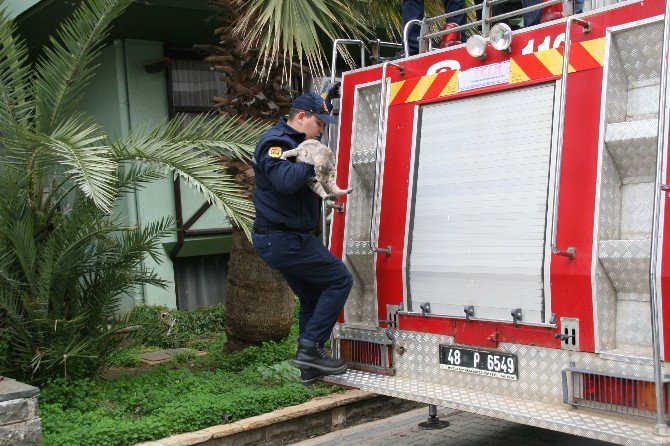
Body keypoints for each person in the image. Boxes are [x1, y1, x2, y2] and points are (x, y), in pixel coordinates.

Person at [250, 88, 353, 386]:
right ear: (301, 116)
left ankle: (310, 366)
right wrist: (311, 156)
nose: (321, 130)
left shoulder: (298, 143)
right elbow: (283, 182)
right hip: (283, 239)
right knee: (339, 280)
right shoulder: (276, 143)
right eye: (317, 123)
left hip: (285, 238)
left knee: (312, 295)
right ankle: (309, 350)